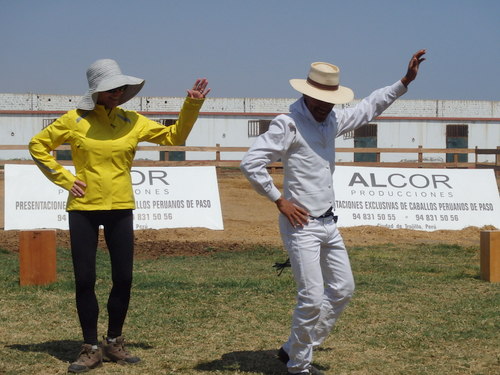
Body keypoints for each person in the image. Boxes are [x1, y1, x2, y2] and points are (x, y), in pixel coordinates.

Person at [240, 50, 426, 375]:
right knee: (311, 297)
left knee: (343, 289)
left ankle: (294, 349)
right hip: (300, 225)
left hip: (328, 221)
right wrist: (278, 199)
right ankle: (299, 366)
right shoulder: (289, 124)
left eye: (330, 99)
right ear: (306, 93)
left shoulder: (333, 121)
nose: (325, 104)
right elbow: (250, 162)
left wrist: (404, 82)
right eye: (319, 98)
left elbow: (369, 106)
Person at [29, 59, 210, 373]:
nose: (118, 92)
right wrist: (67, 180)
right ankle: (89, 348)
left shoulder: (133, 120)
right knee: (85, 280)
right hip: (83, 209)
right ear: (96, 91)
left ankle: (114, 342)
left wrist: (192, 105)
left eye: (121, 88)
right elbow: (38, 145)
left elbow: (174, 137)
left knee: (123, 279)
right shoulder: (73, 121)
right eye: (111, 88)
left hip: (121, 208)